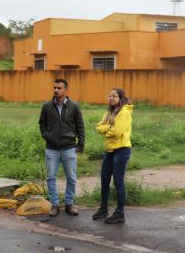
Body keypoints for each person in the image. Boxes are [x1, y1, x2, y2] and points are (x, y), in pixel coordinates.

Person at [38, 78, 85, 217]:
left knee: (71, 177)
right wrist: (47, 136)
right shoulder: (47, 106)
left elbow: (80, 126)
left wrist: (80, 144)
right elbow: (41, 124)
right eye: (54, 88)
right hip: (51, 148)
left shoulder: (74, 106)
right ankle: (55, 205)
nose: (56, 90)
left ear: (65, 90)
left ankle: (69, 204)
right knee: (51, 177)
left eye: (59, 88)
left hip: (69, 148)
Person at [92, 88, 133, 224]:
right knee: (104, 180)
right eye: (109, 95)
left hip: (121, 150)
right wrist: (108, 128)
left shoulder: (125, 112)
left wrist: (107, 129)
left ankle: (120, 213)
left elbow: (118, 132)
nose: (111, 98)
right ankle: (103, 209)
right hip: (109, 150)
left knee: (118, 182)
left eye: (114, 96)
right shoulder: (109, 112)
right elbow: (98, 127)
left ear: (120, 98)